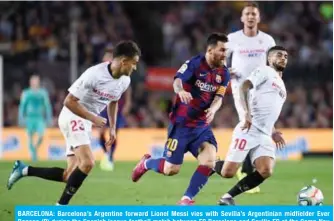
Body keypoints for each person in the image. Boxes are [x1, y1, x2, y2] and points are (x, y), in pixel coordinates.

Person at [7, 40, 141, 205]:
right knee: (88, 162)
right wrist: (92, 118)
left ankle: (23, 170)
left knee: (70, 175)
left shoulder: (124, 81)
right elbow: (68, 101)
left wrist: (112, 128)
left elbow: (114, 101)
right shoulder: (94, 74)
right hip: (72, 115)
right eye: (133, 64)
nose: (134, 68)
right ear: (123, 61)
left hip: (85, 121)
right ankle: (60, 207)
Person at [132, 33, 230, 205]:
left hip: (201, 127)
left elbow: (219, 97)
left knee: (209, 160)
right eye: (222, 50)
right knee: (171, 169)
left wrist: (213, 110)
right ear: (210, 50)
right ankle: (146, 163)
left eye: (226, 50)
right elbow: (177, 80)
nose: (225, 54)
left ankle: (186, 199)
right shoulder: (194, 64)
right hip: (181, 125)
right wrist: (180, 91)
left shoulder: (224, 72)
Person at [212, 2, 276, 194]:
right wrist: (225, 70)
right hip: (242, 89)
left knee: (257, 126)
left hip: (262, 91)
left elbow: (273, 64)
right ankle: (245, 169)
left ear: (258, 18)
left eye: (253, 14)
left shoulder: (267, 40)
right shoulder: (232, 39)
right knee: (248, 123)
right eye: (247, 14)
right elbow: (220, 57)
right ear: (242, 18)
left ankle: (237, 165)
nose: (250, 17)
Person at [217, 46, 288, 205]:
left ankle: (227, 198)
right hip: (249, 128)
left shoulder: (282, 85)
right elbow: (244, 86)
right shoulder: (265, 71)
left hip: (264, 134)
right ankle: (210, 163)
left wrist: (273, 131)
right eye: (279, 55)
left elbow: (269, 111)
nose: (283, 58)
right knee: (227, 173)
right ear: (269, 59)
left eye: (285, 56)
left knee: (266, 170)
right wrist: (246, 113)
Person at [98, 47, 132, 171]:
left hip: (116, 107)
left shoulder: (120, 73)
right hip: (102, 107)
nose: (104, 61)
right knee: (100, 133)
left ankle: (111, 156)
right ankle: (106, 154)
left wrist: (128, 103)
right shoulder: (100, 74)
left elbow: (127, 88)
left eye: (107, 58)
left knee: (114, 134)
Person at [18, 75, 53, 161]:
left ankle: (34, 149)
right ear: (30, 82)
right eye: (33, 81)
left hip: (39, 118)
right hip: (29, 117)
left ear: (38, 82)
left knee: (41, 135)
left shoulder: (43, 93)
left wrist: (49, 118)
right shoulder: (26, 93)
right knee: (30, 136)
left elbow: (47, 106)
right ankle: (33, 154)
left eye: (36, 81)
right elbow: (22, 106)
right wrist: (21, 118)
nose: (35, 82)